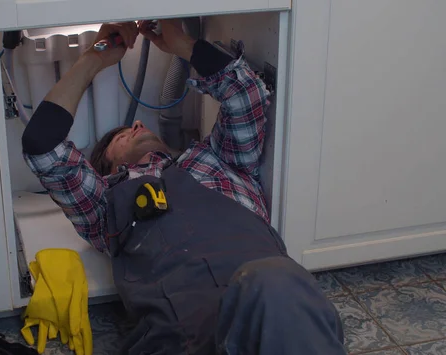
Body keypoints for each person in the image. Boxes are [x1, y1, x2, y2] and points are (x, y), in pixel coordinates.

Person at [22, 20, 346, 355]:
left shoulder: (221, 158)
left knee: (277, 283)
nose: (137, 123)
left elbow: (245, 94)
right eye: (121, 136)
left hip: (270, 313)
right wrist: (95, 56)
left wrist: (183, 45)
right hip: (182, 341)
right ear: (106, 165)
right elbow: (42, 146)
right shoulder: (104, 203)